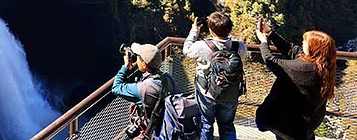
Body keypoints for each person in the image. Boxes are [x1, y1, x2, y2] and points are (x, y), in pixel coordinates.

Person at [255, 19, 336, 140]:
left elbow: (271, 61)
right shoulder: (325, 64)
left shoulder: (300, 68)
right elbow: (291, 50)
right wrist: (270, 32)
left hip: (289, 124)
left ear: (313, 49)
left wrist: (263, 42)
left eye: (305, 42)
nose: (302, 43)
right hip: (309, 121)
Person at [183, 12, 247, 140]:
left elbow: (186, 49)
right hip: (230, 92)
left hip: (207, 93)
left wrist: (194, 31)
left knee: (206, 124)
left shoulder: (202, 46)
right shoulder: (240, 46)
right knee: (227, 125)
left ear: (211, 30)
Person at [113, 43, 178, 139]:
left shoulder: (144, 88)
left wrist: (125, 67)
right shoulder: (167, 78)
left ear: (144, 64)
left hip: (155, 131)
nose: (137, 60)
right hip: (169, 125)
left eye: (138, 58)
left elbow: (116, 88)